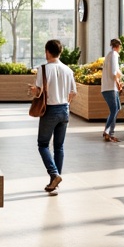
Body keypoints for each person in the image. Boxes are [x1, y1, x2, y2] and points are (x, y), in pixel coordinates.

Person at [29, 39, 77, 195]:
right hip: (65, 110)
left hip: (50, 110)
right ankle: (54, 182)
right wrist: (66, 104)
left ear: (47, 52)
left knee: (42, 144)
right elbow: (73, 93)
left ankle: (54, 174)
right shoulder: (68, 70)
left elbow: (39, 92)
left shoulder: (43, 69)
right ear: (60, 52)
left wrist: (33, 91)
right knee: (59, 147)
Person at [101, 38, 124, 142]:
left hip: (109, 87)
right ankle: (107, 132)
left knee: (117, 108)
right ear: (119, 46)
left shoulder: (110, 55)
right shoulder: (114, 55)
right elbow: (114, 72)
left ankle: (110, 133)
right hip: (110, 87)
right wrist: (118, 83)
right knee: (114, 109)